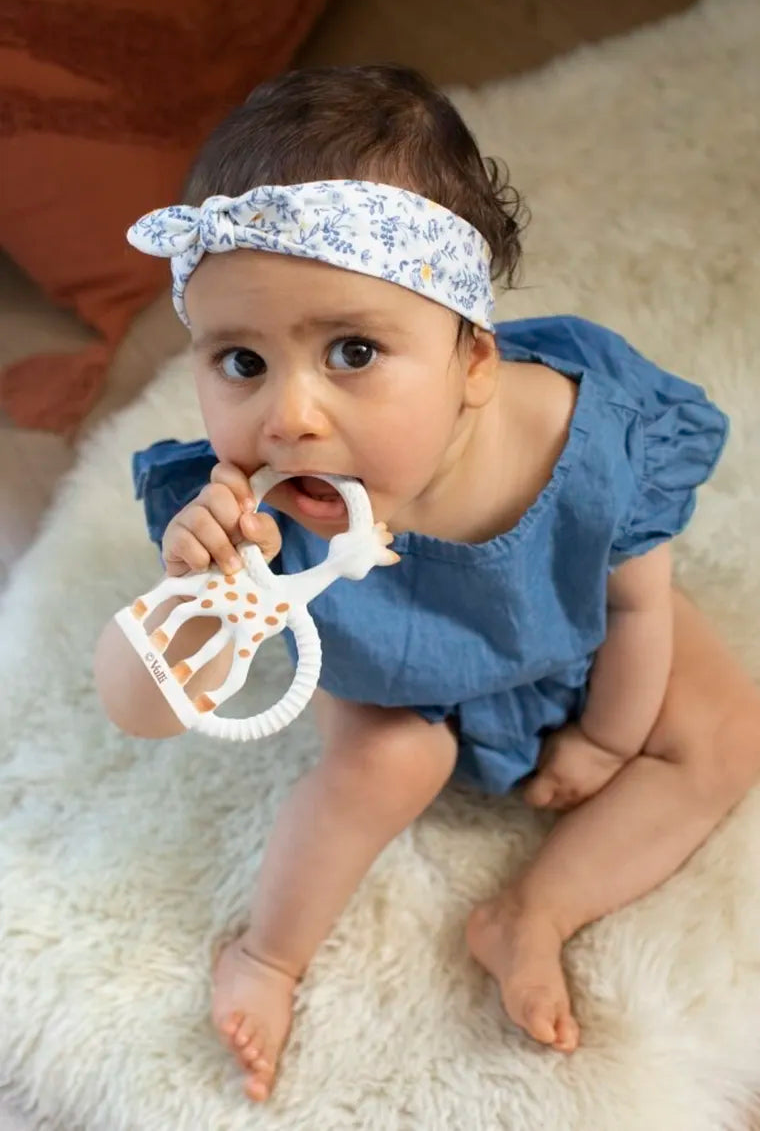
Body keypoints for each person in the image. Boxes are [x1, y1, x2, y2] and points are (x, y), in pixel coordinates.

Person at [94, 64, 760, 1104]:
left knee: (725, 731)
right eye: (240, 362)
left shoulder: (580, 441)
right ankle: (266, 956)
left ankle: (532, 914)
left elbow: (632, 602)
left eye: (353, 350)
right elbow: (142, 714)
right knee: (389, 759)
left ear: (474, 363)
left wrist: (605, 741)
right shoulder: (252, 512)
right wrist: (198, 593)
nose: (290, 419)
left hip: (561, 630)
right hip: (386, 669)